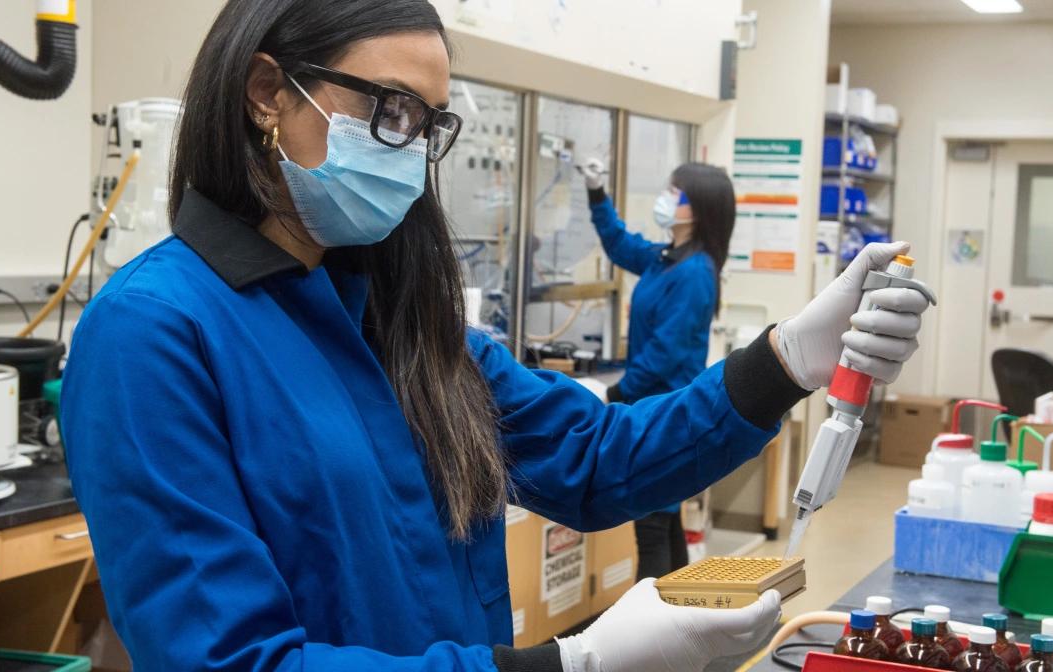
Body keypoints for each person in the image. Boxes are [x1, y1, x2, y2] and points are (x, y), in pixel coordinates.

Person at [60, 1, 930, 671]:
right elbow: (228, 661)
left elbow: (595, 460)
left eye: (429, 123)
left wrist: (788, 361)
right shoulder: (155, 334)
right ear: (266, 92)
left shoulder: (401, 318)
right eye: (390, 111)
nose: (410, 151)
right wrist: (572, 660)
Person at [578, 159, 734, 580]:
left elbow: (665, 353)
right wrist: (597, 193)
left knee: (651, 527)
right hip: (654, 406)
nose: (665, 198)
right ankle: (681, 621)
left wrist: (613, 393)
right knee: (663, 523)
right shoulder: (666, 258)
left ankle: (653, 636)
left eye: (674, 192)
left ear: (698, 208)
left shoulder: (694, 272)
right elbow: (619, 244)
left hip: (666, 413)